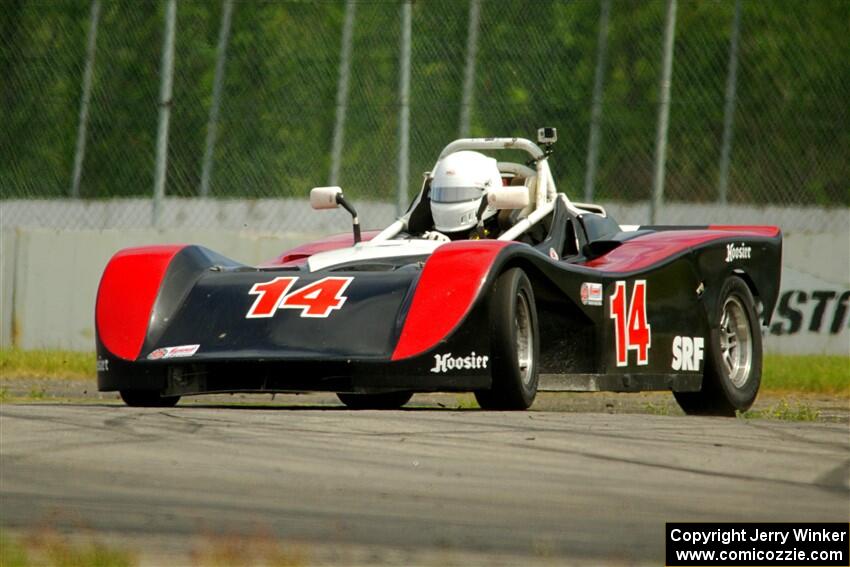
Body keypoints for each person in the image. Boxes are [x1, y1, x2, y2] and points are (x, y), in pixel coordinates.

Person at [422, 150, 503, 241]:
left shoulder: (502, 236)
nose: (450, 199)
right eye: (444, 193)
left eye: (460, 193)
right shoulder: (423, 228)